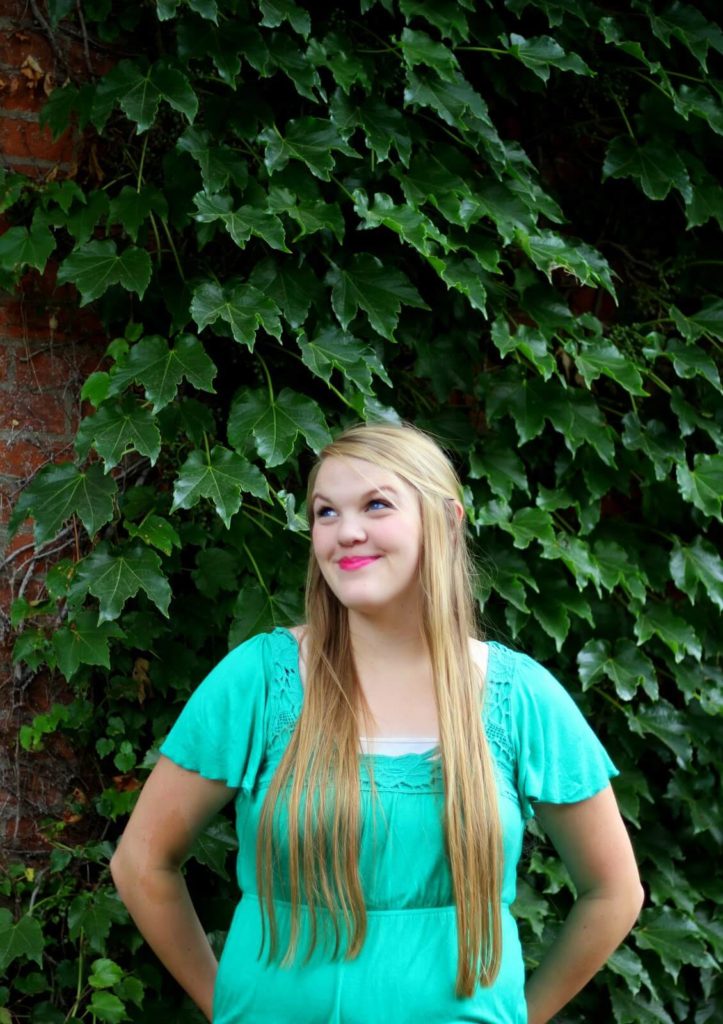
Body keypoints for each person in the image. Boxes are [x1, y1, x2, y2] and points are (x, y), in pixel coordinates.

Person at [110, 422, 643, 1024]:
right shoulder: (258, 682)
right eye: (325, 512)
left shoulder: (519, 698)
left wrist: (524, 1015)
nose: (346, 532)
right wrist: (231, 1003)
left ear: (445, 521)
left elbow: (615, 890)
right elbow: (142, 863)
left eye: (377, 505)